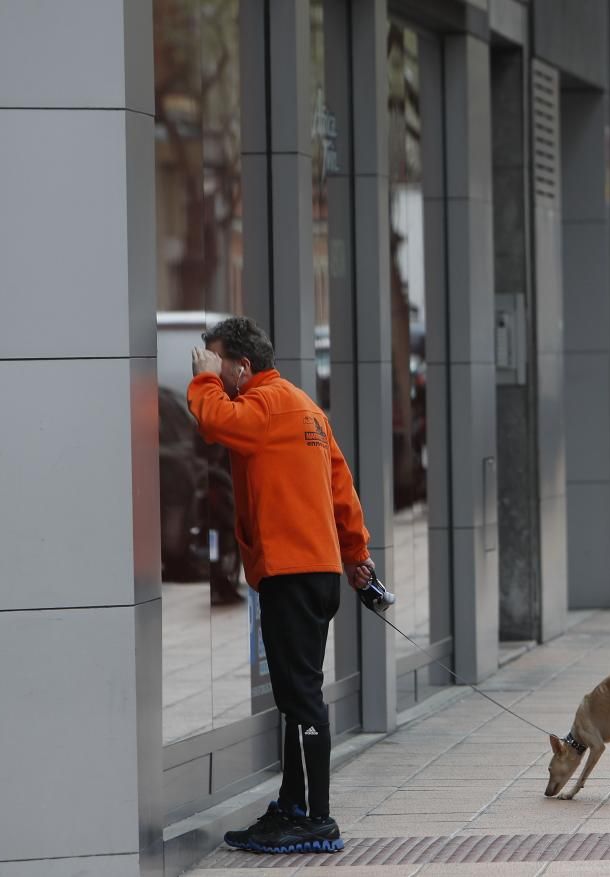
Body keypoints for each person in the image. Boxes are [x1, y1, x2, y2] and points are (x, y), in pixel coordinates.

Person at [187, 316, 375, 854]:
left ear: (243, 366)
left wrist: (201, 380)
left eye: (217, 361)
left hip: (291, 575)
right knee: (297, 695)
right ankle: (294, 806)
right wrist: (357, 555)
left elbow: (214, 422)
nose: (210, 371)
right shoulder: (304, 406)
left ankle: (317, 818)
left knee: (302, 696)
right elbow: (343, 488)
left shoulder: (262, 407)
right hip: (315, 572)